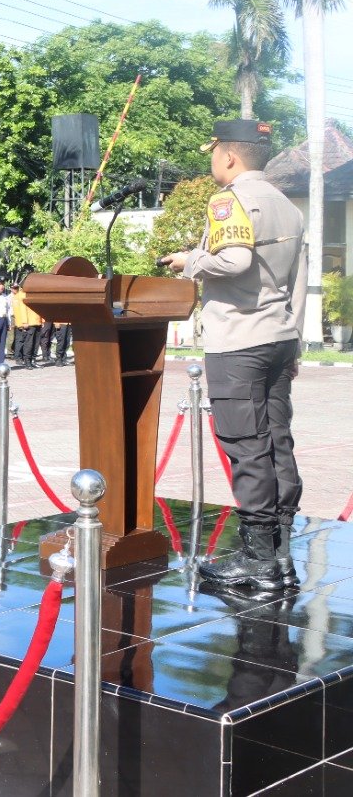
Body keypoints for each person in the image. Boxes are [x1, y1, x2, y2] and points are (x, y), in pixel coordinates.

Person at [162, 119, 307, 593]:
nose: (211, 161)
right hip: (278, 336)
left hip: (240, 340)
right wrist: (295, 340)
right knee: (276, 440)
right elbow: (297, 283)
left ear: (228, 156)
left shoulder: (229, 200)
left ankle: (258, 561)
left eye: (214, 153)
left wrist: (191, 262)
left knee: (246, 447)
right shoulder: (287, 204)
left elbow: (234, 261)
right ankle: (280, 552)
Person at [11, 280, 41, 368]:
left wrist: (41, 320)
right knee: (29, 343)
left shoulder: (33, 294)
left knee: (36, 343)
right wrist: (24, 322)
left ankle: (33, 359)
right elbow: (21, 310)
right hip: (29, 322)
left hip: (37, 321)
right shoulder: (21, 296)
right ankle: (27, 361)